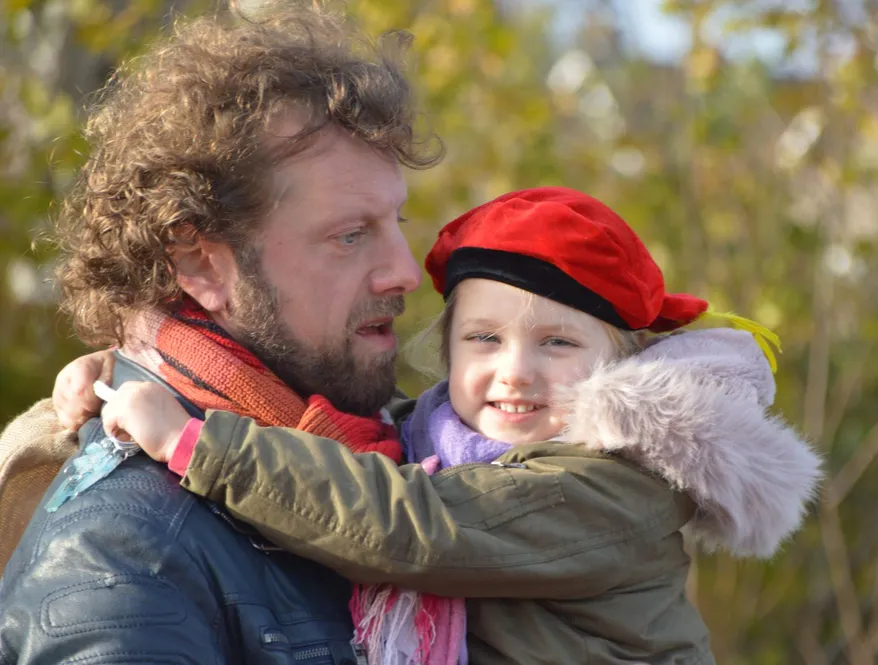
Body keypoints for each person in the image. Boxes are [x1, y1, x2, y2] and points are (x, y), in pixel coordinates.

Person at [67, 187, 822, 664]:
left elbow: (410, 523)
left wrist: (194, 444)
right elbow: (326, 436)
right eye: (484, 339)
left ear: (618, 362)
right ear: (448, 350)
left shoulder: (609, 483)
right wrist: (130, 373)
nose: (515, 371)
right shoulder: (443, 436)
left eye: (558, 344)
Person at [0, 3, 442, 662]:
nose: (405, 271)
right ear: (202, 264)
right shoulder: (124, 559)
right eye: (351, 235)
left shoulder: (397, 455)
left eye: (395, 223)